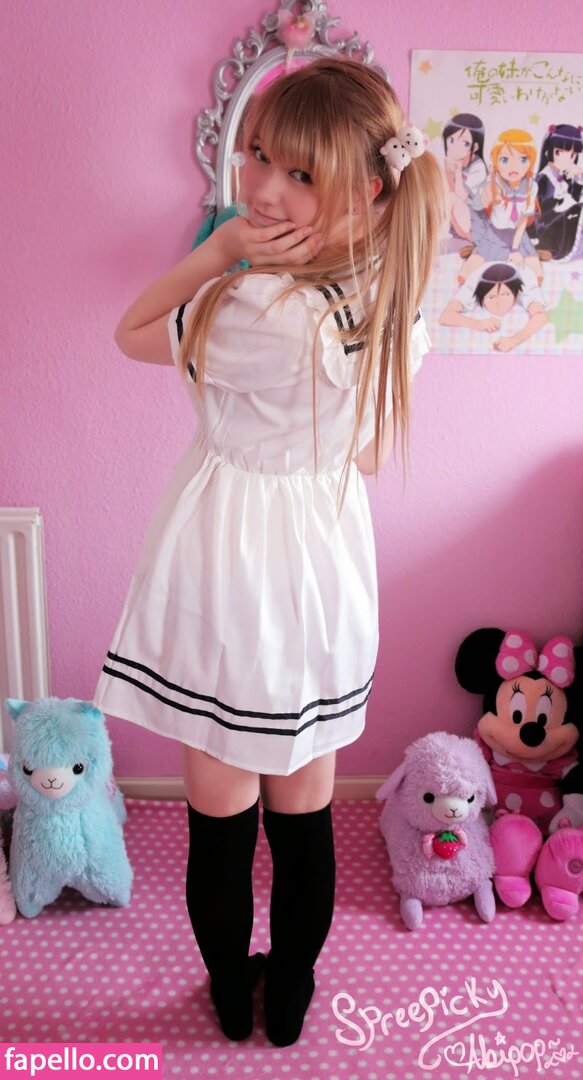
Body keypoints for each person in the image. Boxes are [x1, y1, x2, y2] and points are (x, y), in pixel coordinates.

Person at [94, 57, 446, 1047]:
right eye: (257, 156)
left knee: (220, 819)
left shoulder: (260, 312)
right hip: (325, 570)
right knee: (304, 812)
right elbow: (368, 453)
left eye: (297, 173)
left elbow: (130, 330)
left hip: (230, 567)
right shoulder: (397, 297)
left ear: (364, 190)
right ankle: (287, 994)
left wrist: (217, 253)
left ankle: (229, 990)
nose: (261, 187)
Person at [459, 129, 543, 285]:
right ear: (496, 162)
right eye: (505, 160)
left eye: (523, 159)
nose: (514, 167)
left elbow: (523, 220)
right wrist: (489, 188)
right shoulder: (494, 181)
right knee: (465, 273)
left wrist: (515, 249)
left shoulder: (531, 186)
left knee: (537, 274)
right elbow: (481, 202)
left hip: (517, 233)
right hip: (495, 232)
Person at [439, 261, 548, 352]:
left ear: (516, 294)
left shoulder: (526, 280)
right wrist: (479, 324)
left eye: (506, 295)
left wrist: (514, 340)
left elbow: (541, 316)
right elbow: (445, 316)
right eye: (491, 297)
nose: (499, 303)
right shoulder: (473, 283)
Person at [527, 123, 583, 262]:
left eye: (572, 155)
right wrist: (564, 204)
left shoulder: (564, 176)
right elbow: (542, 212)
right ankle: (546, 248)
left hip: (561, 225)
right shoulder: (544, 178)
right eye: (559, 152)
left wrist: (578, 179)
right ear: (548, 151)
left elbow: (574, 199)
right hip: (546, 230)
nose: (567, 159)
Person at [442, 112, 488, 242]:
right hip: (459, 219)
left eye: (465, 143)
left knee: (450, 196)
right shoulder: (453, 161)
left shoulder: (478, 168)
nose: (454, 147)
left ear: (475, 146)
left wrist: (456, 172)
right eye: (451, 140)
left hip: (476, 222)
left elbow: (460, 196)